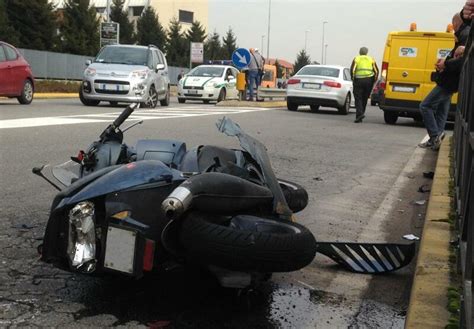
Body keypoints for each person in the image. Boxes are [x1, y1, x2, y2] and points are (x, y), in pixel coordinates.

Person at [418, 12, 470, 150]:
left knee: (425, 106)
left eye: (453, 26)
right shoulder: (462, 36)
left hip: (449, 82)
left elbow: (461, 62)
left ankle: (434, 136)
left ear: (456, 23)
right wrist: (444, 62)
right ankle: (437, 139)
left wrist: (445, 65)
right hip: (450, 81)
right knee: (441, 110)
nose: (453, 28)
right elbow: (456, 57)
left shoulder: (464, 35)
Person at [350, 47, 379, 123]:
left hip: (358, 80)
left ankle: (359, 114)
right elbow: (376, 71)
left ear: (360, 52)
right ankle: (361, 114)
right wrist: (373, 81)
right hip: (369, 81)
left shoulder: (356, 58)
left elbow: (352, 70)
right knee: (365, 98)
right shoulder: (371, 59)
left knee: (358, 98)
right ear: (367, 52)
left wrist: (353, 79)